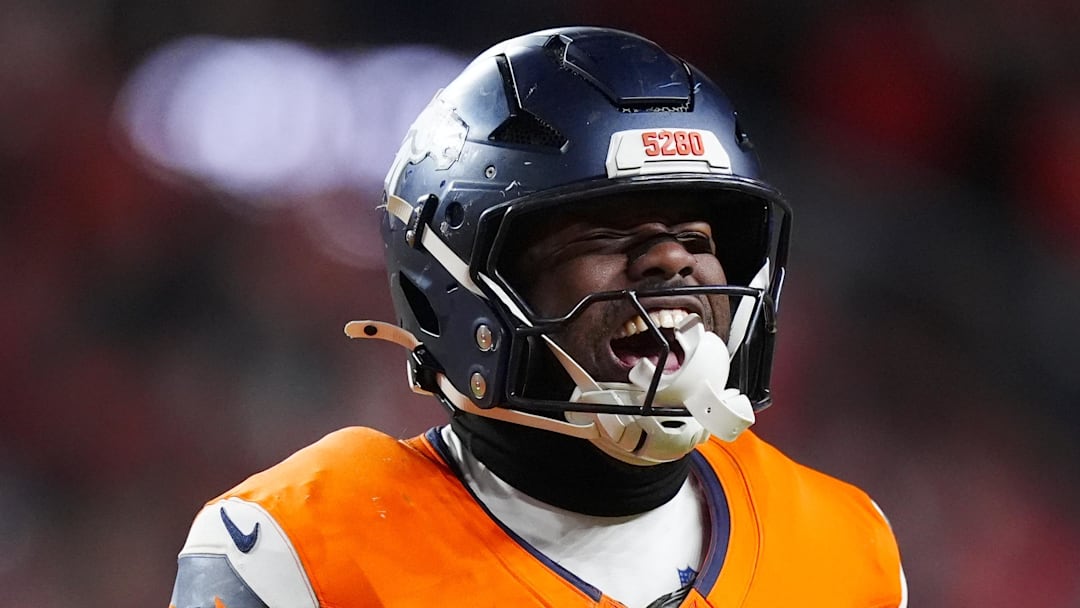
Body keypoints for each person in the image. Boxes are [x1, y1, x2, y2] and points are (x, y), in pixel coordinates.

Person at [169, 26, 907, 608]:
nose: (673, 267)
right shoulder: (304, 545)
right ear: (464, 289)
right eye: (607, 234)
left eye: (697, 238)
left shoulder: (843, 545)